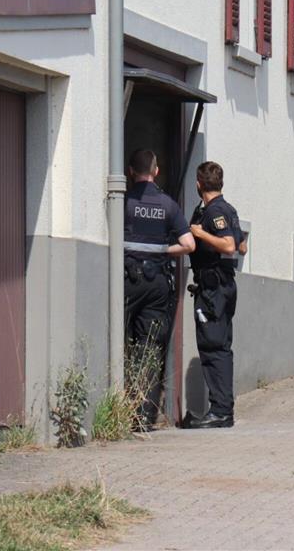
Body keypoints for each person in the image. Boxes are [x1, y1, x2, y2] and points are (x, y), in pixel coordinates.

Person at [124, 149, 195, 430]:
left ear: (130, 172)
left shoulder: (125, 201)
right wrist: (165, 250)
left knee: (121, 341)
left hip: (127, 280)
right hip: (156, 284)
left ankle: (121, 407)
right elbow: (189, 244)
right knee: (150, 347)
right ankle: (143, 417)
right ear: (156, 172)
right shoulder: (168, 205)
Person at [182, 161, 245, 429]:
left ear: (199, 184)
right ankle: (221, 409)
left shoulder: (215, 212)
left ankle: (220, 411)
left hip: (214, 289)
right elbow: (243, 245)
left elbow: (230, 246)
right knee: (220, 345)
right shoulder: (228, 210)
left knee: (213, 346)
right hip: (222, 285)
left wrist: (200, 233)